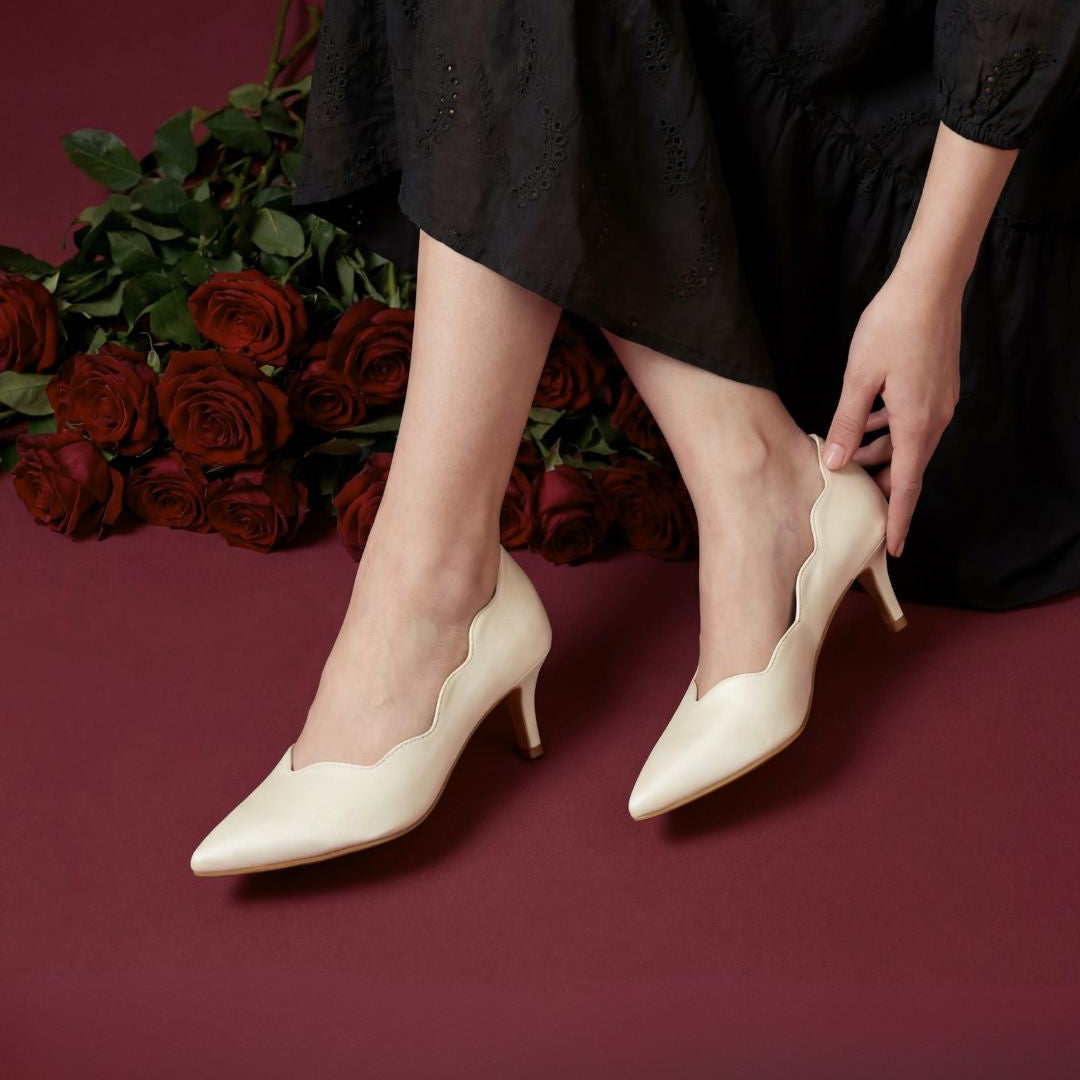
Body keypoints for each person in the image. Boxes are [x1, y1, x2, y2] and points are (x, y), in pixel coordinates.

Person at [189, 1, 1080, 873]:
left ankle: (440, 590)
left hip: (938, 205)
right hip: (681, 129)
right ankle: (739, 478)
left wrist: (932, 280)